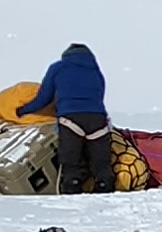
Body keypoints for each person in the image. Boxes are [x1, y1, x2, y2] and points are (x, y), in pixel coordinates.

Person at [32, 40, 112, 193]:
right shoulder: (95, 70)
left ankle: (73, 185)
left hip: (70, 118)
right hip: (97, 118)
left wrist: (22, 111)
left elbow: (44, 97)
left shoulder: (58, 67)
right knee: (101, 162)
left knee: (71, 161)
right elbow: (100, 95)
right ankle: (104, 185)